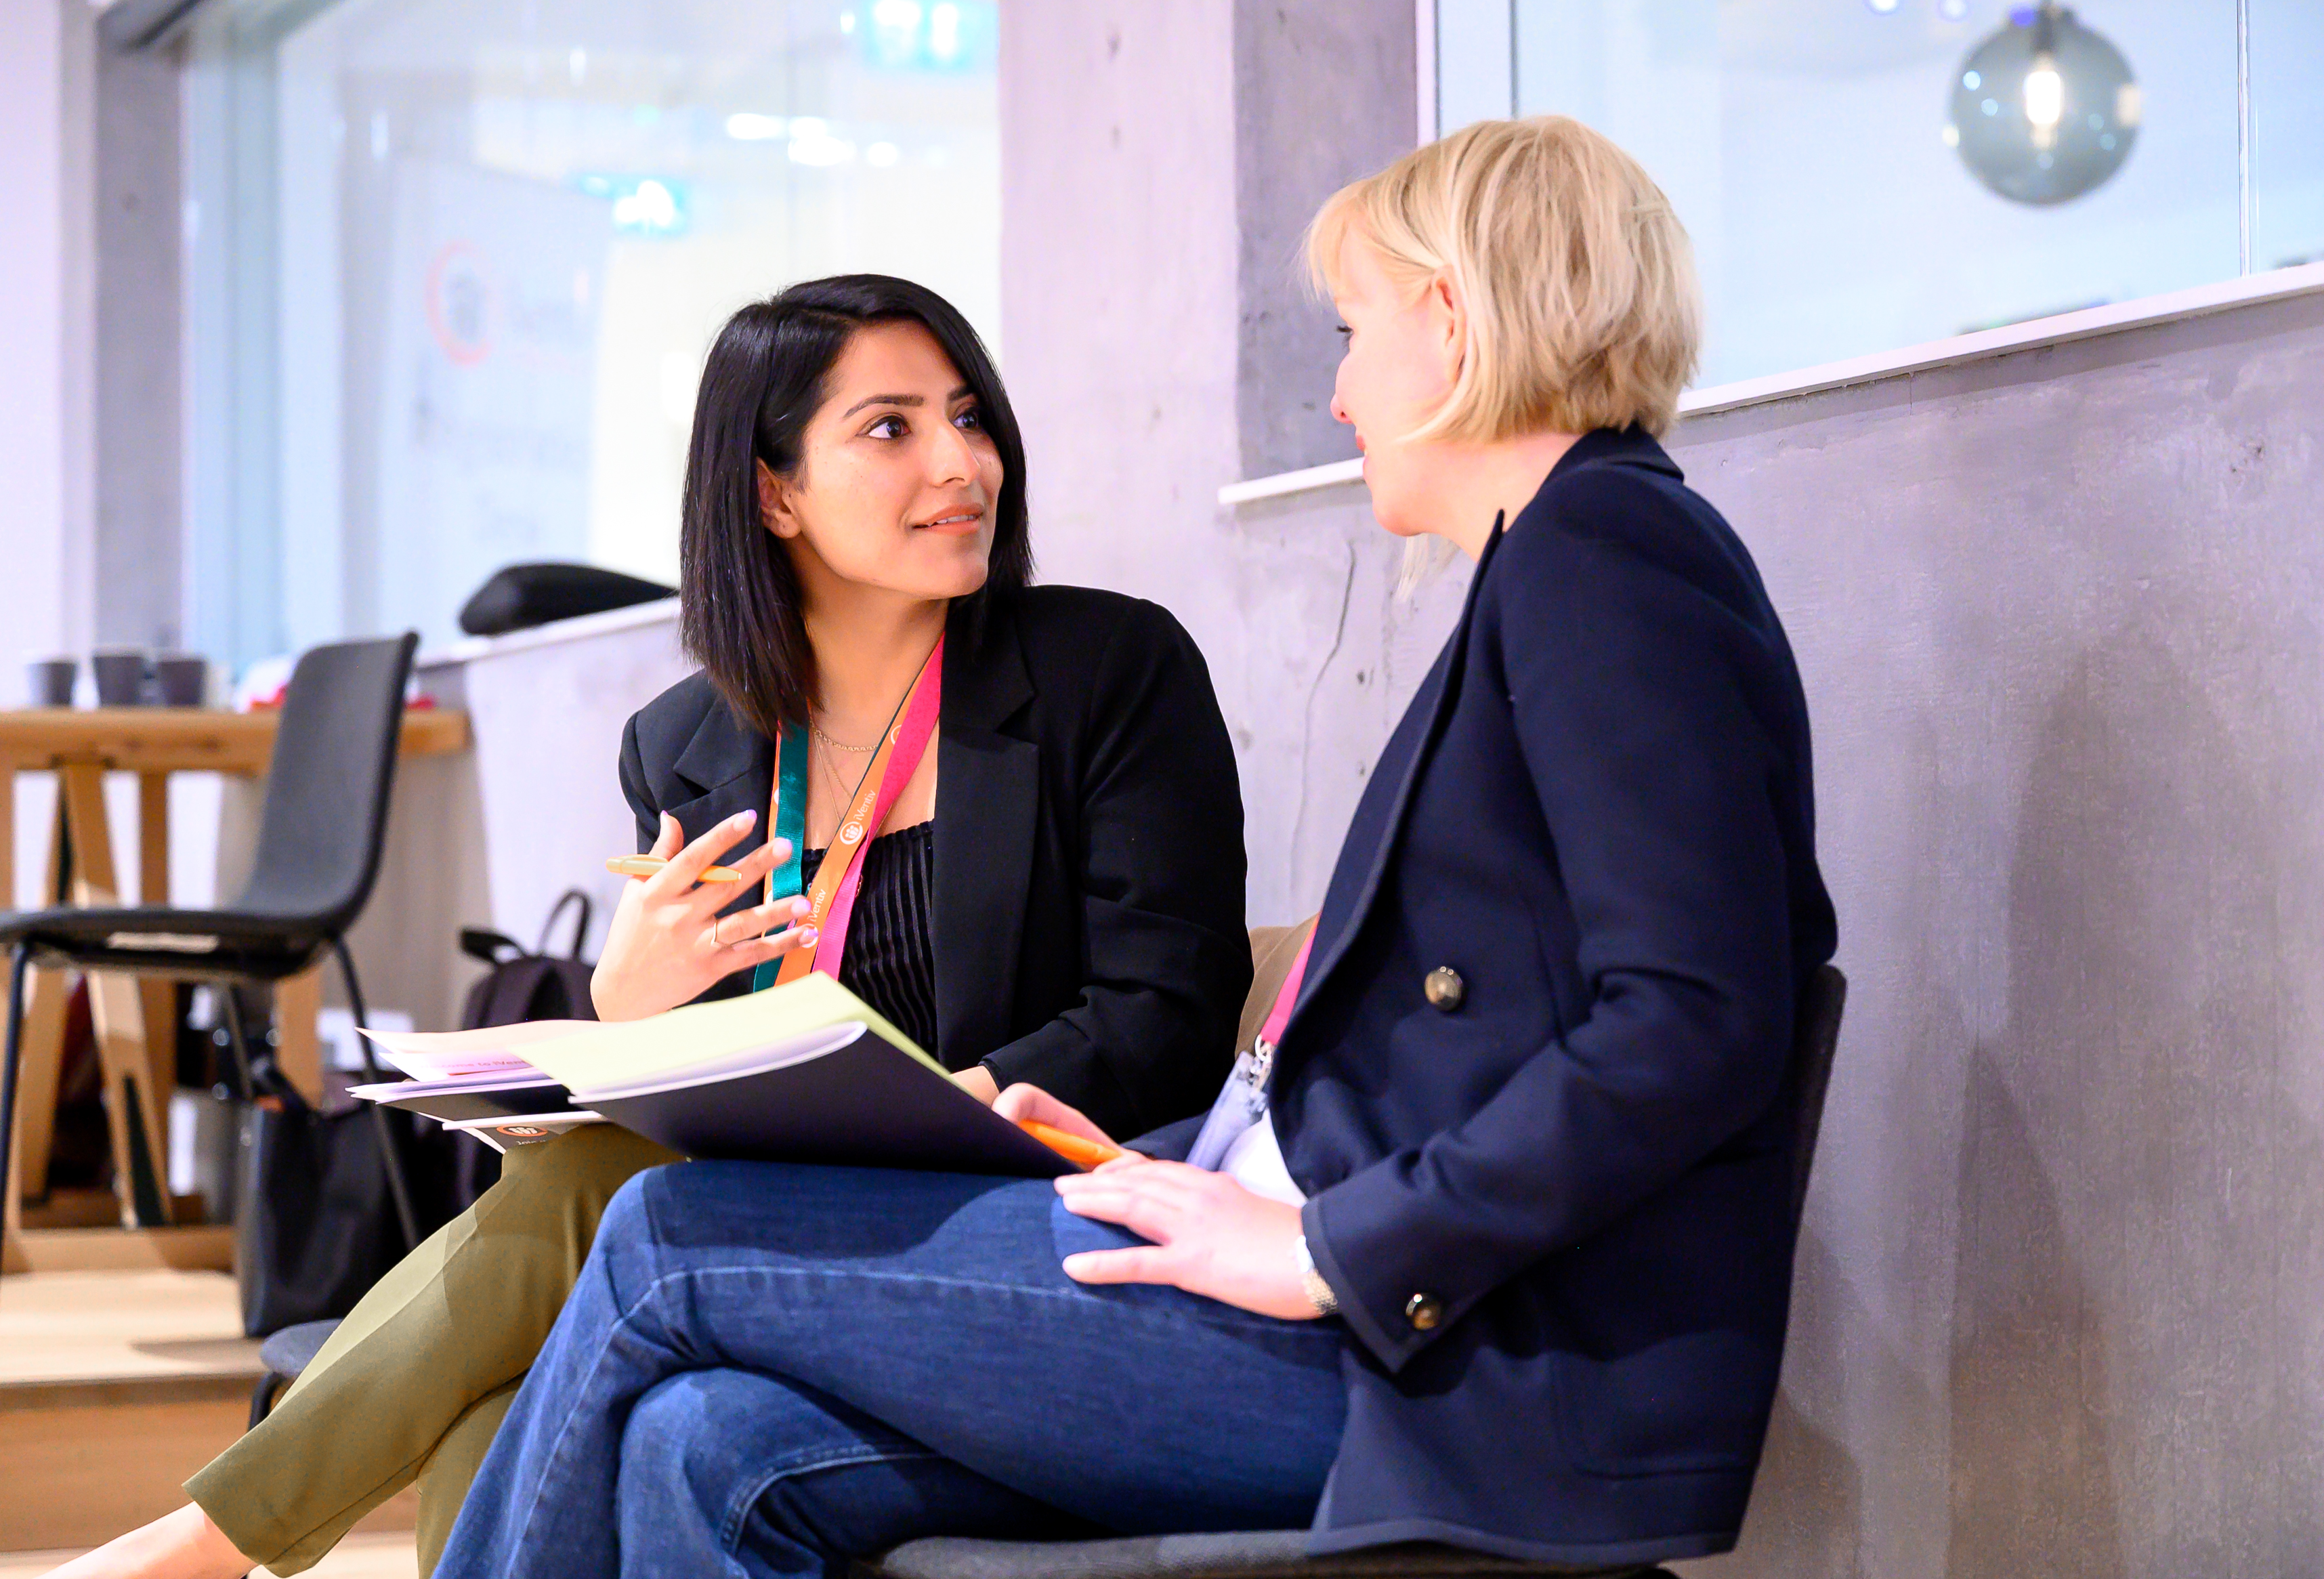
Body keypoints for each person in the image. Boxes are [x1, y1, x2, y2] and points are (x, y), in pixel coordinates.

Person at [427, 115, 1840, 1579]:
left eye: (1353, 332)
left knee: (667, 1230)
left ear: (1448, 317)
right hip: (1317, 1292)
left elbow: (1696, 1020)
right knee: (704, 1438)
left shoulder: (1605, 559)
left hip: (1429, 1368)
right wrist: (1171, 1164)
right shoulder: (1564, 563)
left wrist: (1327, 1247)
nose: (1343, 392)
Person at [50, 276, 1254, 1579]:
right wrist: (629, 1013)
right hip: (776, 1215)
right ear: (772, 492)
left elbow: (1167, 1021)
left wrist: (951, 1102)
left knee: (576, 1207)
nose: (963, 461)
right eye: (892, 428)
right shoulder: (686, 747)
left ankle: (200, 1547)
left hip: (1025, 1202)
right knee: (494, 1406)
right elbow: (705, 1090)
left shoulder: (1107, 672)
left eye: (968, 417)